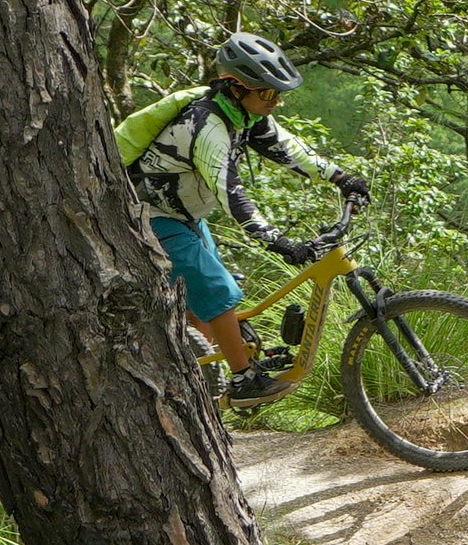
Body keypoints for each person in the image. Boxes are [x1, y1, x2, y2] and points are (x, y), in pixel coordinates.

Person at [120, 31, 347, 402]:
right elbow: (232, 193)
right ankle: (243, 380)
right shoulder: (206, 126)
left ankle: (201, 372)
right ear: (235, 86)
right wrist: (277, 240)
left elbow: (290, 150)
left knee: (202, 301)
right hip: (154, 217)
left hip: (188, 216)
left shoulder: (243, 114)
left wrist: (341, 177)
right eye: (268, 93)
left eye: (279, 94)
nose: (276, 102)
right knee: (218, 289)